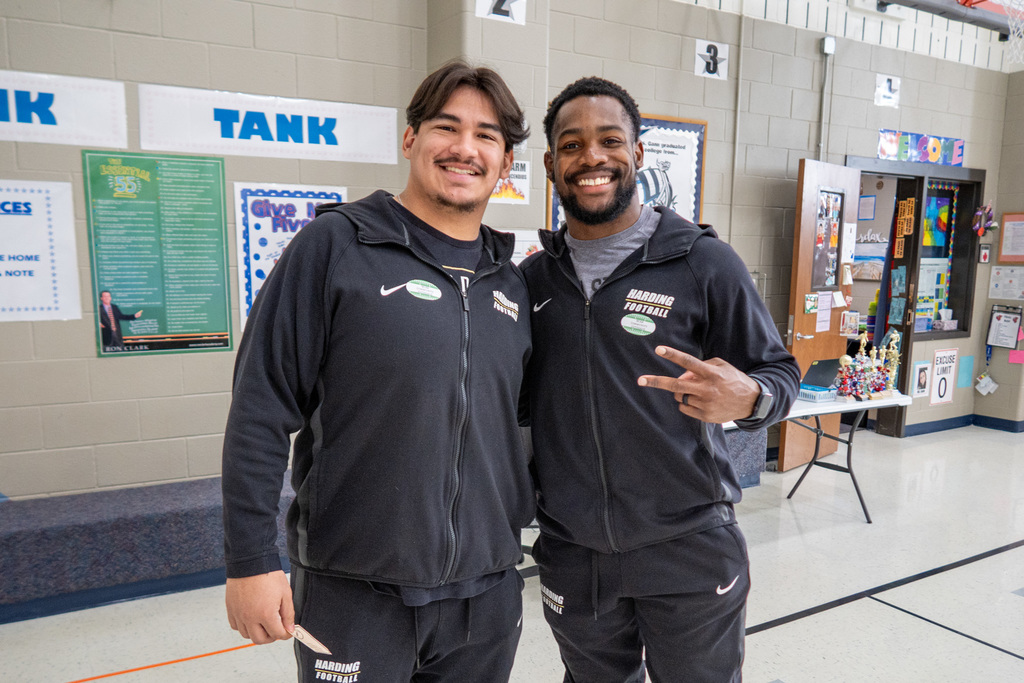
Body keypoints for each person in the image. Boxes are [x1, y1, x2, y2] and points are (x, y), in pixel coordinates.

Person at [221, 60, 534, 682]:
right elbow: (259, 410)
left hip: (487, 592)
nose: (465, 148)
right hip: (353, 591)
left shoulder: (513, 285)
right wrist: (250, 563)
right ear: (411, 138)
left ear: (504, 162)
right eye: (447, 127)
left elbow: (527, 428)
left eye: (487, 136)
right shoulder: (335, 248)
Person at [520, 77, 801, 682]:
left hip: (689, 546)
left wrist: (750, 397)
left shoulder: (703, 262)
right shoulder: (534, 281)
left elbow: (780, 372)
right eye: (572, 145)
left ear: (638, 154)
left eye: (609, 140)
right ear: (550, 163)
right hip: (574, 552)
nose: (591, 157)